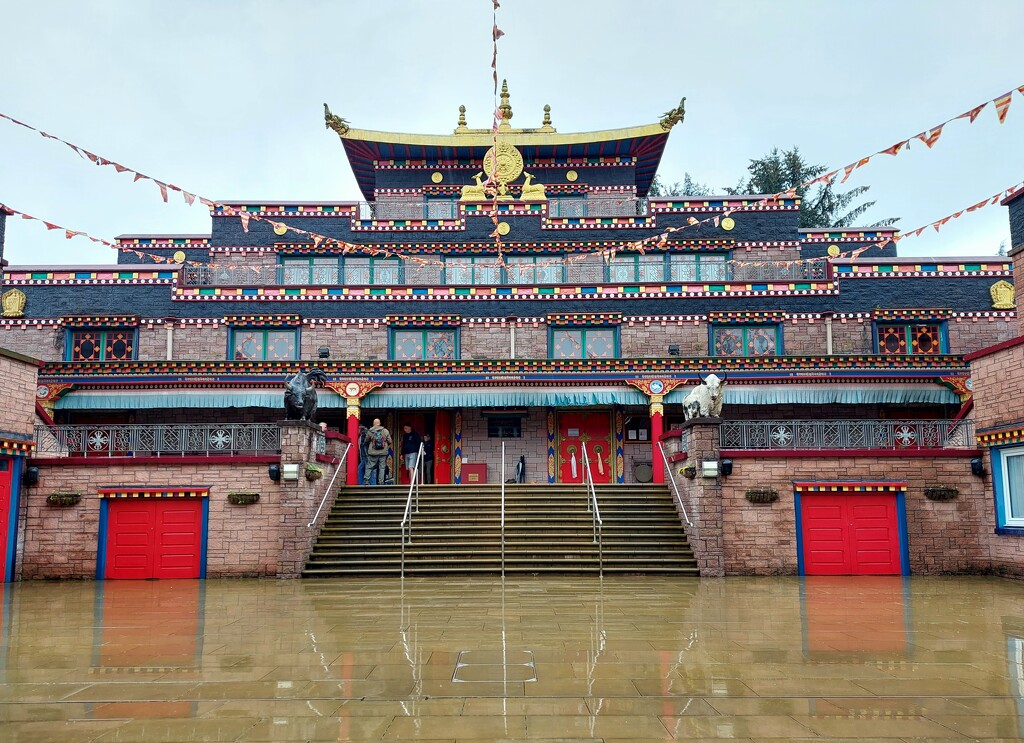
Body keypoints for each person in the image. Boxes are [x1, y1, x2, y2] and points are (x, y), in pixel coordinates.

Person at [363, 418, 391, 486]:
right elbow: (390, 441)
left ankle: (366, 480)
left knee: (370, 466)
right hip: (383, 452)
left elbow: (366, 441)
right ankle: (381, 482)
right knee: (382, 467)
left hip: (373, 452)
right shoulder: (385, 431)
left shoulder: (370, 431)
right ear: (380, 423)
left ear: (373, 424)